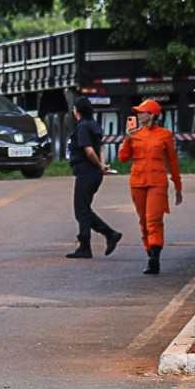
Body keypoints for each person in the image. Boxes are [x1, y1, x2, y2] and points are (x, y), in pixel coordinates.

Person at [117, 99, 183, 274]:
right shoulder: (134, 134)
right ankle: (149, 251)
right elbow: (123, 158)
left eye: (142, 112)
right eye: (138, 112)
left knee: (154, 220)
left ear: (151, 115)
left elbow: (173, 161)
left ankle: (155, 257)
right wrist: (127, 138)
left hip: (157, 182)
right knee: (144, 221)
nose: (138, 115)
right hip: (137, 182)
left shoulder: (164, 135)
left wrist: (177, 186)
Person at [65, 97, 122, 259]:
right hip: (94, 173)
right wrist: (102, 165)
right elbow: (101, 147)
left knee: (81, 210)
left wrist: (98, 165)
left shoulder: (82, 127)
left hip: (86, 171)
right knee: (83, 209)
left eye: (75, 109)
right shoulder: (94, 124)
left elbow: (89, 151)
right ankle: (108, 235)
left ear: (78, 111)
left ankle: (90, 244)